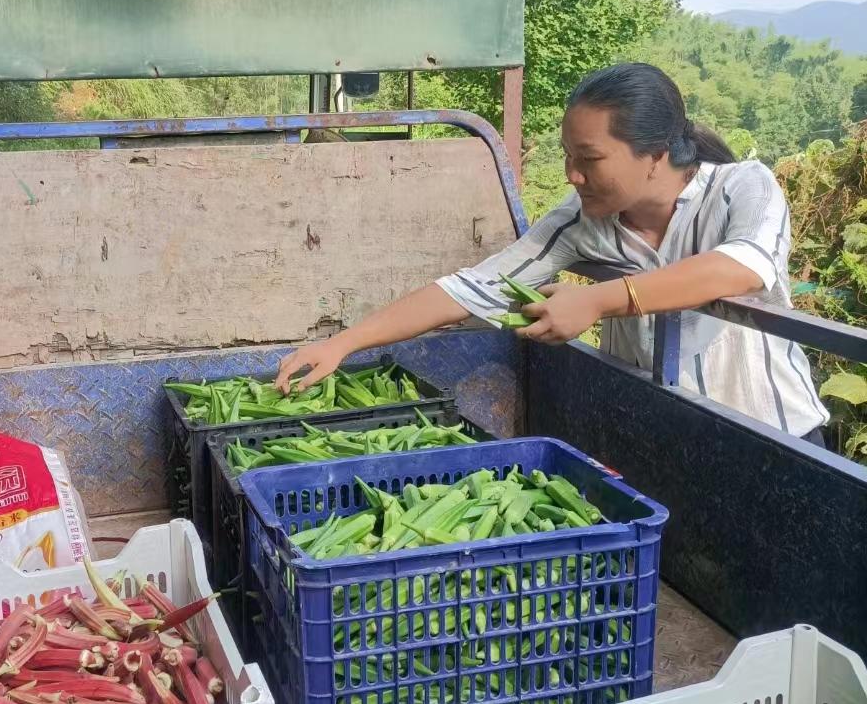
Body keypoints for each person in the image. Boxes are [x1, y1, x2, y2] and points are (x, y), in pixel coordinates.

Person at [276, 62, 828, 443]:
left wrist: (599, 300)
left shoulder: (741, 187)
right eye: (568, 155)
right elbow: (473, 286)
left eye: (589, 158)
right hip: (674, 436)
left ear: (655, 155)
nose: (572, 174)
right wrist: (343, 344)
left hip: (778, 437)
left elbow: (744, 264)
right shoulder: (584, 218)